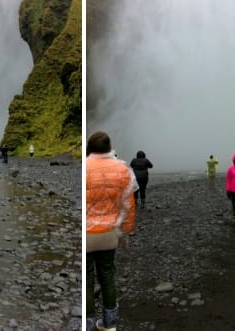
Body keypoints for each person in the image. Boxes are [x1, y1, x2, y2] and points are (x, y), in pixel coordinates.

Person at [86, 131, 137, 331]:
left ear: (90, 148)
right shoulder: (122, 169)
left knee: (88, 279)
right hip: (109, 233)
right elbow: (128, 206)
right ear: (109, 148)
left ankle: (88, 324)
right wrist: (125, 232)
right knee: (107, 275)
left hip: (87, 235)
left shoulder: (85, 168)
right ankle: (109, 324)